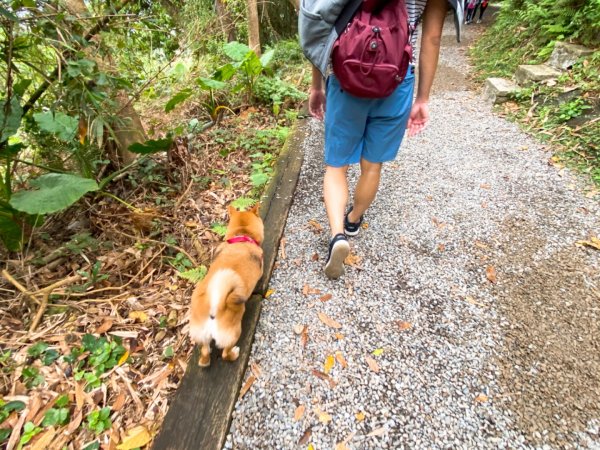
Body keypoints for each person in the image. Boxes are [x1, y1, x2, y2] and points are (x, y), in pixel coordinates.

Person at [301, 0, 462, 279]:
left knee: (336, 166)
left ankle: (337, 236)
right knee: (373, 164)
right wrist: (422, 98)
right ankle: (353, 220)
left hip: (347, 74)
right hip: (396, 80)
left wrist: (317, 84)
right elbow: (432, 38)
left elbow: (321, 22)